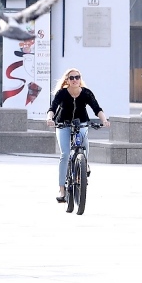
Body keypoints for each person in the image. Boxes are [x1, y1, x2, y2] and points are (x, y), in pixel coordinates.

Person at [45, 68, 108, 203]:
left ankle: (85, 163)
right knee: (65, 154)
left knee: (84, 144)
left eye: (77, 77)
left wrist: (104, 120)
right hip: (63, 124)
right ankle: (62, 189)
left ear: (80, 79)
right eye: (71, 78)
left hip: (82, 124)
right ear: (67, 80)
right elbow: (52, 108)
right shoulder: (62, 93)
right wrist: (50, 119)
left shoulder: (86, 93)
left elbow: (97, 108)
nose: (74, 80)